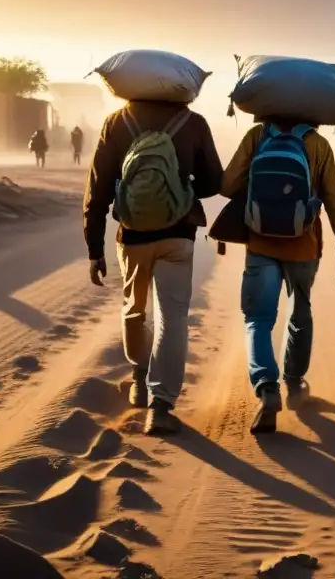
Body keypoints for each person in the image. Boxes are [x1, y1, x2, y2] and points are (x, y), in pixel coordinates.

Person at [84, 99, 223, 435]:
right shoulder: (194, 122)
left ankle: (138, 380)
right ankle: (160, 407)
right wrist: (182, 180)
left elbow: (99, 187)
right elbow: (213, 182)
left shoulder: (116, 121)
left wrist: (94, 246)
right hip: (178, 235)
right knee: (172, 319)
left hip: (132, 236)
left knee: (135, 309)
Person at [222, 117, 335, 434]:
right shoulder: (317, 144)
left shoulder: (257, 136)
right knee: (300, 311)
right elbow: (333, 197)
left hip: (260, 243)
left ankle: (267, 387)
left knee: (258, 319)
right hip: (304, 245)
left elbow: (227, 185)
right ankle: (293, 382)